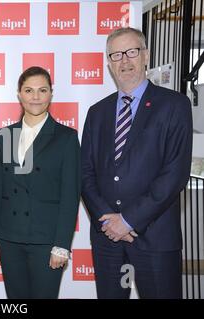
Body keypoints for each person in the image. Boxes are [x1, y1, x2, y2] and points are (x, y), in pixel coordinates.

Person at [81, 27, 193, 299]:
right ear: (108, 63)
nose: (125, 61)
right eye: (116, 55)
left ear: (146, 55)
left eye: (132, 52)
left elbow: (175, 173)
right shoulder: (97, 112)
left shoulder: (174, 105)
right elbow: (85, 173)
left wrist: (129, 220)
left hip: (155, 238)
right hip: (107, 239)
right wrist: (110, 223)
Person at [0, 66, 80, 298]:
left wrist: (62, 245)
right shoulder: (5, 135)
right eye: (28, 90)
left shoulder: (66, 138)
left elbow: (70, 196)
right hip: (9, 239)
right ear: (19, 94)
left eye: (42, 90)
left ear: (51, 94)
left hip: (46, 242)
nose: (35, 97)